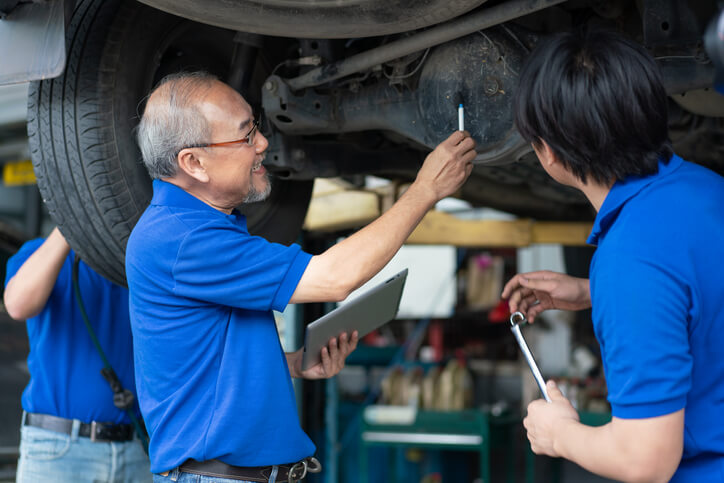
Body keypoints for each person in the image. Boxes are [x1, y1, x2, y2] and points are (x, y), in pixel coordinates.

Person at [127, 71, 476, 482]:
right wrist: (425, 189)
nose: (262, 144)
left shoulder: (193, 229)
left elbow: (206, 354)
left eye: (255, 127)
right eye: (244, 136)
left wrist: (290, 364)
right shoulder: (182, 239)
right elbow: (336, 277)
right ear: (194, 163)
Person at [501, 29, 724, 482]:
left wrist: (558, 433)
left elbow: (645, 460)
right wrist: (594, 291)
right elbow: (700, 286)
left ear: (547, 153)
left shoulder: (631, 259)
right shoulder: (706, 188)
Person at [4, 227, 151, 482]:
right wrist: (72, 221)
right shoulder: (38, 253)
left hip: (136, 447)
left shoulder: (141, 261)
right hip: (59, 448)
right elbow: (18, 305)